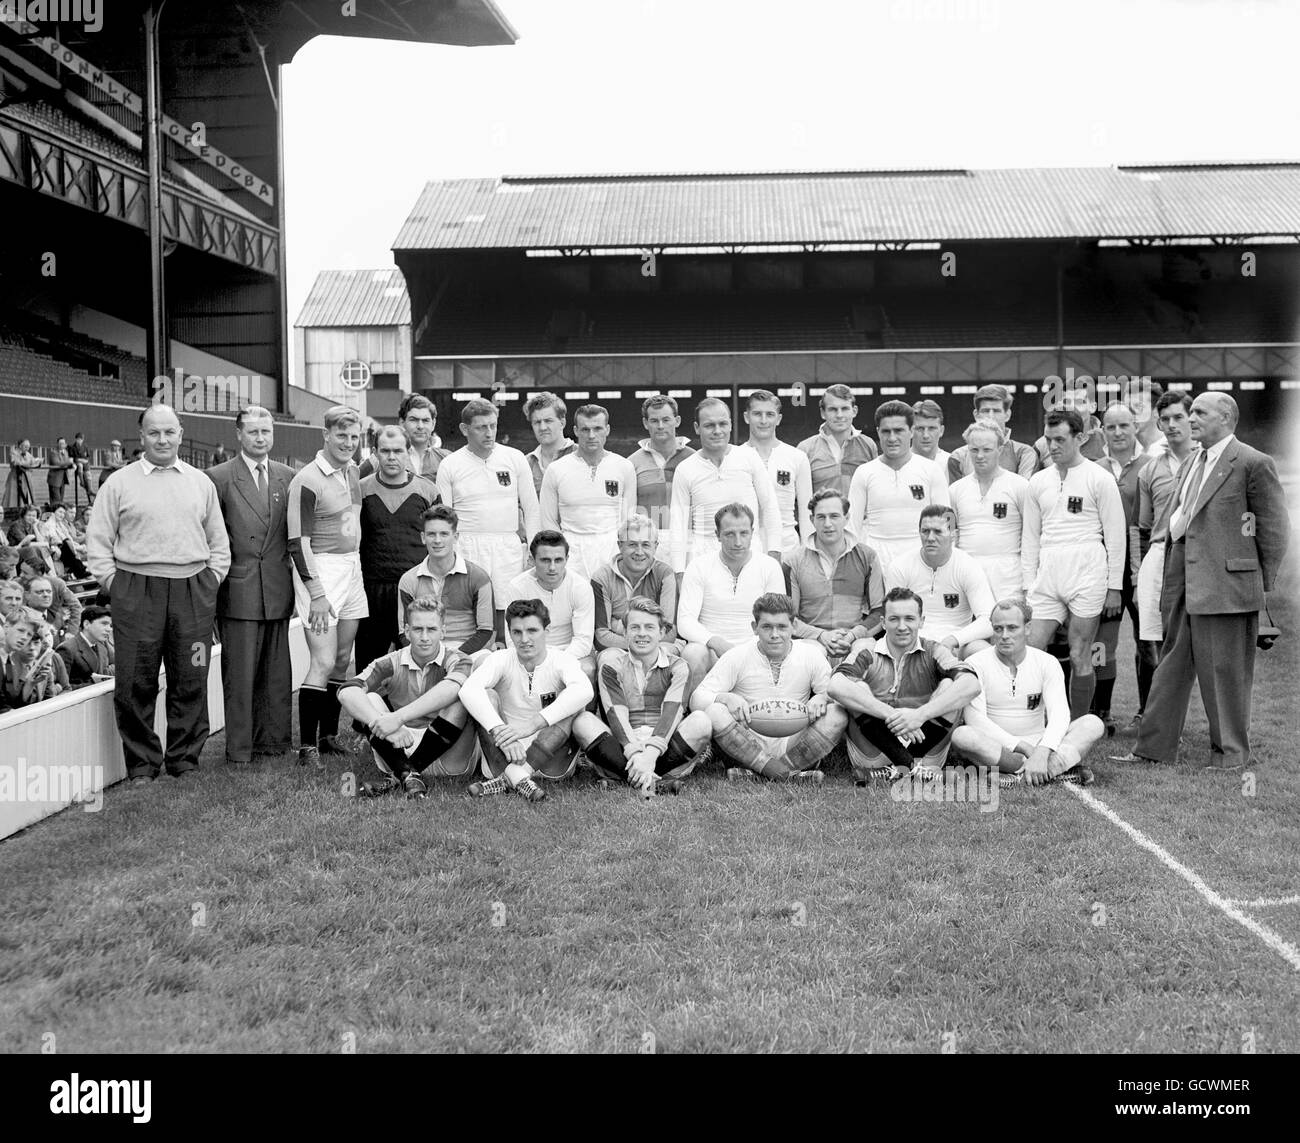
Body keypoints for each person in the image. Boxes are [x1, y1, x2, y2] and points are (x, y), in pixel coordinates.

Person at [1115, 393, 1289, 771]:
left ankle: (1231, 756)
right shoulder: (1195, 459)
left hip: (1227, 587)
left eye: (1199, 412)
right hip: (1181, 578)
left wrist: (1260, 587)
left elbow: (1273, 528)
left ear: (1225, 418)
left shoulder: (1252, 462)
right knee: (1171, 666)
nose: (1191, 418)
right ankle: (1154, 749)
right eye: (1190, 412)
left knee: (1223, 673)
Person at [86, 404, 230, 784]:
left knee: (192, 675)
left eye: (169, 432)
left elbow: (219, 541)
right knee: (135, 679)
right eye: (154, 433)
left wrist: (211, 580)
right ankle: (142, 765)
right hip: (136, 590)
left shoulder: (200, 482)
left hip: (193, 591)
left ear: (181, 434)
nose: (162, 439)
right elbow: (98, 542)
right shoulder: (119, 483)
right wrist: (115, 585)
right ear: (142, 436)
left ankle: (184, 759)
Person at [206, 405, 296, 765]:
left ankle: (274, 742)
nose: (261, 438)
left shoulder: (288, 476)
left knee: (277, 673)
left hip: (276, 587)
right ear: (239, 434)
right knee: (240, 676)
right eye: (254, 432)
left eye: (267, 432)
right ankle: (240, 748)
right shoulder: (217, 477)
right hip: (238, 589)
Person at [1022, 409, 1125, 720]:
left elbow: (1116, 535)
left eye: (1060, 440)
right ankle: (1034, 724)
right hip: (1048, 572)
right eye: (1048, 440)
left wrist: (1114, 587)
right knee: (1032, 650)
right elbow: (1030, 538)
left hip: (1087, 571)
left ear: (1080, 438)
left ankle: (1077, 729)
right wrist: (1029, 586)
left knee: (1080, 654)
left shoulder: (1099, 478)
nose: (1053, 447)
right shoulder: (1039, 481)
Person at [827, 588, 981, 782]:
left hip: (924, 750)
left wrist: (919, 715)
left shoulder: (934, 650)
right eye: (894, 619)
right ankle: (909, 768)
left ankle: (900, 769)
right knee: (857, 688)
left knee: (950, 686)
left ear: (921, 621)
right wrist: (893, 716)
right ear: (883, 622)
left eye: (909, 618)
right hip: (874, 752)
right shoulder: (868, 649)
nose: (902, 626)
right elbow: (835, 686)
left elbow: (972, 685)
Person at [689, 592, 846, 783]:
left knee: (837, 713)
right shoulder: (737, 655)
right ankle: (786, 775)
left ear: (793, 626)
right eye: (766, 627)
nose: (774, 635)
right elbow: (697, 698)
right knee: (715, 710)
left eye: (781, 627)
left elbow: (836, 693)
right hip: (747, 742)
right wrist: (725, 698)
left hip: (795, 743)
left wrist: (822, 697)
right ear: (754, 628)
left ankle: (764, 773)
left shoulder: (810, 654)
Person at [287, 405, 368, 768]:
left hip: (352, 568)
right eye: (341, 435)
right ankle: (306, 748)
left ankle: (329, 736)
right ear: (325, 434)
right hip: (322, 571)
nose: (348, 443)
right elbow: (297, 542)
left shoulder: (351, 471)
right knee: (321, 659)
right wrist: (316, 592)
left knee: (341, 659)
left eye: (354, 437)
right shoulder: (308, 479)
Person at [952, 598, 1104, 786]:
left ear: (1028, 628)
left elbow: (1060, 714)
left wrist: (1043, 749)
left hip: (1040, 745)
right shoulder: (976, 663)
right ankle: (1050, 770)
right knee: (962, 736)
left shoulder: (1047, 662)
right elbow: (976, 720)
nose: (1004, 635)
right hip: (998, 748)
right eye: (998, 628)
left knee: (1093, 723)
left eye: (1012, 628)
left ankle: (1021, 776)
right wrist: (1025, 749)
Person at [338, 595, 478, 798]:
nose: (424, 637)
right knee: (369, 700)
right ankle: (408, 774)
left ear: (443, 632)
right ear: (406, 631)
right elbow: (347, 690)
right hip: (398, 747)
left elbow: (451, 688)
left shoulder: (458, 659)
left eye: (432, 629)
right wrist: (381, 721)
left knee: (461, 698)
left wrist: (397, 717)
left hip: (449, 756)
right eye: (417, 629)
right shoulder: (391, 661)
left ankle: (404, 774)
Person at [457, 598, 595, 802]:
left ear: (546, 632)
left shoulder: (562, 659)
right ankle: (517, 777)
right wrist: (500, 732)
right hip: (504, 753)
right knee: (485, 695)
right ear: (510, 633)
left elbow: (585, 691)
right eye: (517, 632)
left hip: (551, 760)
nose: (524, 639)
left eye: (532, 631)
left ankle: (515, 776)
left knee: (573, 699)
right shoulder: (501, 658)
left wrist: (534, 724)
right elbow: (468, 690)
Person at [572, 596, 712, 795]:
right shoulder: (612, 667)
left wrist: (649, 755)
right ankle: (658, 782)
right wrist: (636, 752)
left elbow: (672, 713)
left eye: (649, 627)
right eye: (635, 627)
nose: (642, 634)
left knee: (701, 721)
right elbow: (616, 716)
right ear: (625, 632)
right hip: (623, 746)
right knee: (582, 721)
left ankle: (627, 777)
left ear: (662, 632)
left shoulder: (678, 667)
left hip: (666, 746)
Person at [435, 398, 539, 640]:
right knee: (471, 614)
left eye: (493, 425)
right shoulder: (450, 465)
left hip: (507, 547)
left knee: (511, 611)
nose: (489, 432)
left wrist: (533, 549)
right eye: (481, 427)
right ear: (465, 429)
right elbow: (445, 517)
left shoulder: (514, 458)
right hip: (467, 546)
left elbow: (532, 509)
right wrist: (449, 555)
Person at [1130, 392, 1197, 734]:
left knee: (1197, 641)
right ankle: (1152, 716)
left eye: (1178, 417)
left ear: (1192, 418)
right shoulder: (1150, 469)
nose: (1171, 425)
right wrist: (1139, 574)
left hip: (1198, 558)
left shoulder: (1207, 461)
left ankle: (1209, 723)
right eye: (1165, 420)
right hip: (1159, 557)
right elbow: (1143, 528)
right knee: (1152, 643)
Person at [355, 425, 441, 671]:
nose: (391, 457)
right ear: (375, 452)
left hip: (416, 590)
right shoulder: (360, 490)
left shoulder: (428, 490)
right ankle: (369, 710)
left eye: (397, 451)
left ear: (408, 451)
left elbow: (440, 543)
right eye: (385, 451)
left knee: (420, 666)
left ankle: (417, 711)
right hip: (371, 591)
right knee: (369, 667)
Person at [1090, 401, 1152, 735]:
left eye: (1123, 425)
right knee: (1102, 644)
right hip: (1106, 569)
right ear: (1102, 431)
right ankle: (1103, 712)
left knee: (1148, 641)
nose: (1117, 432)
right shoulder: (1094, 467)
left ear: (1136, 427)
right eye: (1110, 427)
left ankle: (1149, 713)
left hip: (1143, 565)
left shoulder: (1151, 465)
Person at [678, 504, 785, 694]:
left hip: (756, 650)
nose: (738, 542)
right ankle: (691, 713)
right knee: (692, 653)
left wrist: (748, 650)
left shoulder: (769, 567)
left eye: (744, 533)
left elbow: (778, 618)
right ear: (717, 534)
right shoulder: (699, 566)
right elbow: (685, 621)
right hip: (711, 651)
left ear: (752, 533)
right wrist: (715, 641)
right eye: (729, 534)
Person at [668, 398, 782, 575]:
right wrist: (679, 572)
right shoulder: (685, 469)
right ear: (697, 428)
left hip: (749, 556)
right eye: (709, 425)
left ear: (731, 425)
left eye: (723, 424)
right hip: (704, 560)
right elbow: (678, 524)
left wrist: (774, 554)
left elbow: (770, 507)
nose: (717, 431)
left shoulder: (749, 458)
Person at [848, 400, 949, 579]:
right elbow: (852, 527)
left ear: (911, 431)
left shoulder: (931, 470)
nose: (892, 438)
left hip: (921, 558)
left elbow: (946, 522)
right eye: (886, 431)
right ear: (878, 432)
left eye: (899, 431)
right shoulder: (864, 473)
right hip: (877, 560)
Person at [782, 489, 884, 663]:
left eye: (834, 516)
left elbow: (880, 611)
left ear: (846, 518)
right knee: (811, 655)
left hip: (855, 638)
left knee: (865, 649)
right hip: (811, 640)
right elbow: (788, 617)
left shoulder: (868, 557)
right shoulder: (793, 561)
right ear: (811, 520)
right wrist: (821, 635)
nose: (827, 524)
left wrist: (852, 636)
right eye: (821, 517)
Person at [539, 403, 636, 580]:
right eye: (585, 429)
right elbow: (548, 520)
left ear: (607, 429)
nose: (591, 436)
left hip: (611, 550)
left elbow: (627, 520)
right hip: (572, 552)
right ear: (575, 431)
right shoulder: (556, 470)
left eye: (597, 428)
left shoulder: (624, 467)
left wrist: (621, 553)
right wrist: (562, 552)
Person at [888, 506, 995, 658]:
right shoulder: (900, 566)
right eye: (925, 531)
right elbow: (892, 615)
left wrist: (953, 640)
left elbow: (988, 620)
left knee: (984, 651)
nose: (930, 538)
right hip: (912, 642)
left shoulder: (968, 566)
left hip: (957, 643)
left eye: (938, 531)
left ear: (953, 534)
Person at [396, 506, 494, 658]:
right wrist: (430, 655)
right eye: (431, 534)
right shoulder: (409, 580)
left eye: (444, 534)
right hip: (424, 651)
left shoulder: (478, 577)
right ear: (423, 537)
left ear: (455, 537)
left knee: (486, 661)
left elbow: (486, 631)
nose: (437, 540)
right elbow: (404, 632)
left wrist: (454, 657)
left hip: (467, 651)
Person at [948, 421, 1030, 600]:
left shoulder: (1020, 486)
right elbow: (951, 536)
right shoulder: (954, 490)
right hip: (968, 572)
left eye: (987, 449)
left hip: (1009, 576)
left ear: (1000, 449)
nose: (980, 456)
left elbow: (1031, 535)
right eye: (974, 450)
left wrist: (1029, 580)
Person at [501, 530, 596, 683]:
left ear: (567, 559)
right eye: (545, 560)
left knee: (587, 670)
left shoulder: (580, 587)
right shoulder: (517, 587)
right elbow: (513, 638)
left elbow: (583, 640)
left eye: (558, 560)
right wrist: (537, 661)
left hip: (570, 651)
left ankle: (585, 708)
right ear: (532, 560)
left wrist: (556, 662)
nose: (552, 567)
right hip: (529, 652)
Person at [590, 516, 678, 654]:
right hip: (618, 650)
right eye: (632, 544)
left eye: (646, 545)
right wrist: (646, 637)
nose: (639, 552)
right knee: (609, 657)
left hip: (657, 648)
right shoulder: (601, 578)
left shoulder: (664, 574)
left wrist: (617, 626)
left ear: (656, 546)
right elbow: (601, 638)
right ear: (620, 546)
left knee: (667, 652)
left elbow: (669, 632)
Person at [740, 389, 812, 550]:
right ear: (746, 417)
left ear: (778, 419)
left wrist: (808, 550)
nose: (763, 420)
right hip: (747, 543)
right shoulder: (735, 456)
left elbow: (806, 511)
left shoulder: (797, 457)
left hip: (786, 543)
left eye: (770, 414)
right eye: (757, 414)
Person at [628, 394, 695, 560]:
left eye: (666, 420)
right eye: (654, 421)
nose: (660, 426)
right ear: (645, 423)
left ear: (677, 420)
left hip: (688, 543)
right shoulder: (631, 463)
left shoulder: (694, 459)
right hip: (647, 546)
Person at [798, 383, 878, 497]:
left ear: (854, 411)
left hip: (860, 515)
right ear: (822, 413)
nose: (839, 415)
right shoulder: (805, 449)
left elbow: (874, 490)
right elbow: (801, 497)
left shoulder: (868, 445)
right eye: (833, 409)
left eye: (845, 408)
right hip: (821, 515)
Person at [946, 385, 1039, 482]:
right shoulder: (958, 457)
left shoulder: (1025, 453)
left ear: (1007, 415)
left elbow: (1024, 492)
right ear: (976, 415)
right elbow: (956, 494)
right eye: (985, 411)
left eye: (996, 411)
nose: (991, 416)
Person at [358, 394, 448, 482]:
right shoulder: (381, 457)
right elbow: (352, 481)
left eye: (425, 420)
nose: (420, 426)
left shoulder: (445, 459)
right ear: (402, 422)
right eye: (413, 420)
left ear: (433, 424)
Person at [0, 609, 58, 710]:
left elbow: (13, 704)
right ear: (6, 627)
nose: (24, 638)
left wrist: (31, 683)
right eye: (21, 630)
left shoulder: (9, 661)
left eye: (29, 634)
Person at [1035, 384, 1105, 466]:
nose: (1072, 407)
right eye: (1067, 402)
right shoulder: (1042, 445)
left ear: (1093, 406)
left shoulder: (1106, 439)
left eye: (1079, 402)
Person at [523, 391, 577, 494]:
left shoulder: (582, 456)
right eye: (537, 422)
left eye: (548, 421)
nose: (542, 427)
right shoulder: (525, 463)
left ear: (562, 423)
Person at [57, 604, 114, 687]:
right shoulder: (67, 649)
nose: (109, 629)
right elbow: (61, 687)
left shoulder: (103, 646)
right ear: (86, 624)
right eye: (104, 624)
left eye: (110, 625)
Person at [24, 574, 80, 644]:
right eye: (40, 592)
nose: (46, 595)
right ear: (27, 595)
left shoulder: (58, 617)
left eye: (49, 591)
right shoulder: (22, 618)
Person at [910, 400, 952, 490]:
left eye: (932, 428)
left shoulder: (952, 463)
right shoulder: (898, 462)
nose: (926, 435)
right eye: (920, 428)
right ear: (910, 430)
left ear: (941, 431)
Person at [40, 505, 90, 579]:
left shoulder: (60, 524)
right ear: (53, 513)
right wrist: (78, 547)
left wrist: (77, 546)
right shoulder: (49, 524)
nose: (62, 515)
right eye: (60, 512)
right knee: (66, 544)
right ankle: (80, 571)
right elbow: (55, 540)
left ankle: (80, 572)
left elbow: (68, 538)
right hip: (53, 549)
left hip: (64, 550)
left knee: (69, 546)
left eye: (63, 513)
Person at [3, 439, 40, 511]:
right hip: (15, 478)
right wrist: (27, 463)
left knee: (26, 495)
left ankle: (25, 509)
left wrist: (38, 461)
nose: (27, 448)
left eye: (28, 447)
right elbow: (15, 462)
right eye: (26, 446)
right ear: (20, 446)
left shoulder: (28, 454)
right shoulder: (13, 452)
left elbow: (33, 462)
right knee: (14, 495)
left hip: (26, 479)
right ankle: (12, 510)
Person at [68, 432, 95, 505]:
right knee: (80, 466)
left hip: (84, 462)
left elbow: (88, 456)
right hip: (77, 463)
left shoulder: (85, 446)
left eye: (81, 439)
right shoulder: (71, 447)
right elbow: (71, 457)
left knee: (88, 473)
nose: (79, 441)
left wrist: (85, 460)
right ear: (76, 439)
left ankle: (90, 489)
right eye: (78, 439)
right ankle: (82, 481)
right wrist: (78, 460)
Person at [45, 436, 72, 507]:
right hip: (54, 480)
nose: (62, 445)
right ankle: (53, 513)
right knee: (56, 500)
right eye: (60, 443)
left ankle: (57, 512)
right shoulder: (53, 452)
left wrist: (72, 464)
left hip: (63, 478)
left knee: (61, 499)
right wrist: (69, 462)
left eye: (63, 443)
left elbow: (66, 463)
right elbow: (56, 463)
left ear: (65, 444)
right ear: (57, 444)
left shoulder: (66, 452)